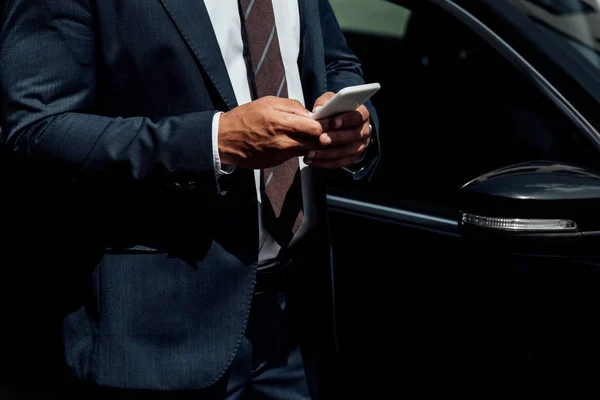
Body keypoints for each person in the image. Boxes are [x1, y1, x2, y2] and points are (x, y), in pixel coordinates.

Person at [0, 0, 380, 398]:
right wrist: (214, 141)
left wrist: (356, 123)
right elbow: (37, 130)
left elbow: (335, 62)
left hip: (296, 324)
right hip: (159, 338)